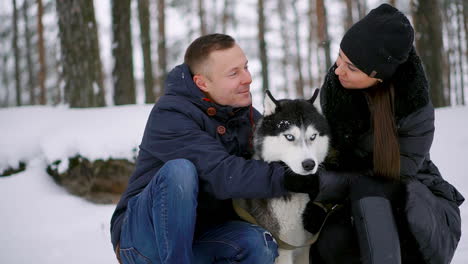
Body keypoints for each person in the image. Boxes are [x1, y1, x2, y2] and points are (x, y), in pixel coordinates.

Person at [110, 34, 322, 264]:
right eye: (234, 73)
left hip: (204, 235)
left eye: (246, 67)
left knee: (258, 245)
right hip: (144, 241)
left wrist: (313, 192)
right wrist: (288, 179)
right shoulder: (171, 114)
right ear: (202, 83)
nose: (248, 78)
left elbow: (283, 156)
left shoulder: (245, 115)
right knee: (180, 171)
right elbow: (221, 173)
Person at [308, 4, 464, 264]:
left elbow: (390, 177)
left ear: (379, 77)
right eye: (339, 56)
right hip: (360, 203)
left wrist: (322, 185)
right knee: (331, 241)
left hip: (415, 210)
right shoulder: (336, 91)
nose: (338, 70)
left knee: (368, 187)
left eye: (352, 67)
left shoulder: (413, 108)